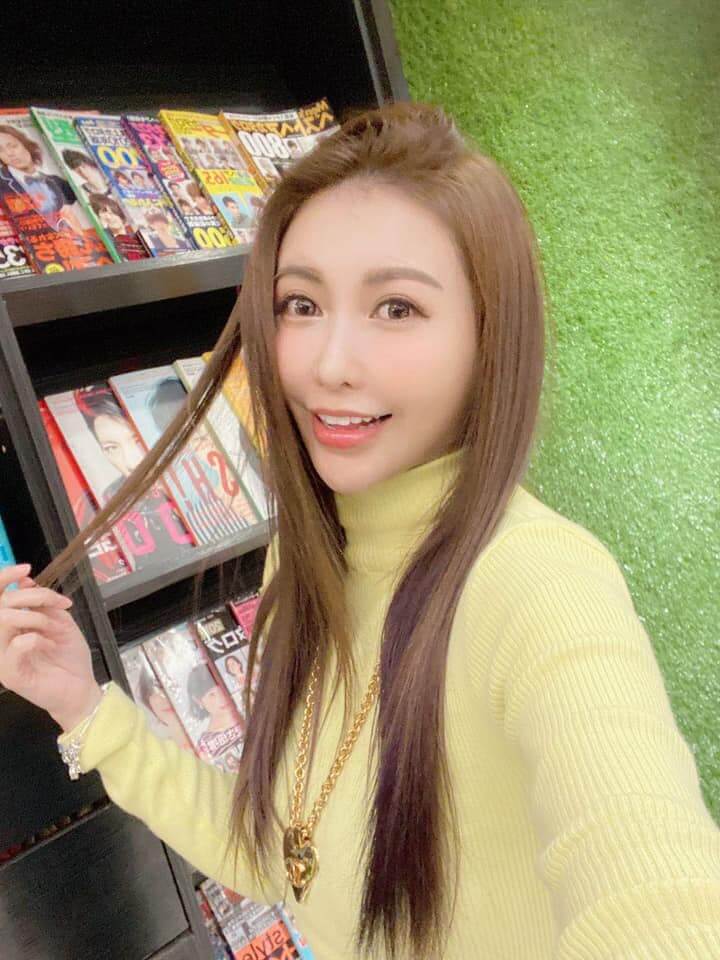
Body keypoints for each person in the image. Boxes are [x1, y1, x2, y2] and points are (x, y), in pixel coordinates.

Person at [0, 102, 718, 960]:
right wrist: (82, 703)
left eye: (397, 308)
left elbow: (659, 893)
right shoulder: (308, 554)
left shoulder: (540, 583)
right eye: (301, 303)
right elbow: (279, 855)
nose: (329, 363)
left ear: (489, 335)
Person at [0, 124, 85, 233]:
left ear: (25, 144)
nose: (9, 153)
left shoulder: (56, 181)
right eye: (0, 150)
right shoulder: (2, 184)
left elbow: (85, 197)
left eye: (13, 146)